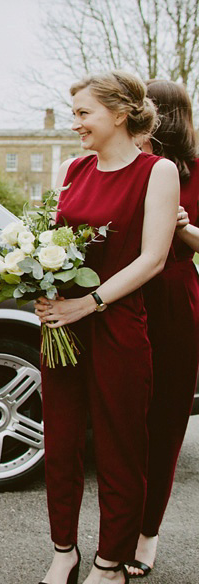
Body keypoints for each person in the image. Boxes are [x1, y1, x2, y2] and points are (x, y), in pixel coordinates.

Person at [34, 70, 178, 584]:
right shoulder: (73, 169)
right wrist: (39, 284)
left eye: (83, 114)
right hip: (62, 329)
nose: (76, 124)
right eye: (73, 113)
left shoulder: (156, 171)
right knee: (62, 441)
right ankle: (64, 552)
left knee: (120, 447)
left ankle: (110, 562)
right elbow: (51, 243)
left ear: (119, 115)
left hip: (116, 323)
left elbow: (153, 258)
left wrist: (89, 303)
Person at [122, 79, 199, 578]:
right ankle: (121, 527)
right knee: (124, 419)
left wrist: (181, 226)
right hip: (124, 293)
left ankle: (148, 535)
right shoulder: (124, 163)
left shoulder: (195, 171)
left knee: (166, 421)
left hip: (173, 297)